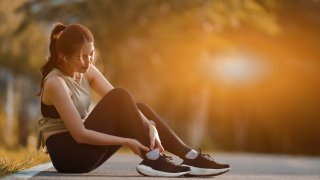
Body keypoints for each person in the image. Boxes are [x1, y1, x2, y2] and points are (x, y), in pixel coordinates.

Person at [36, 22, 230, 177]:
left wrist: (149, 124)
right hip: (70, 157)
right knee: (121, 95)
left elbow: (124, 105)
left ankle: (190, 156)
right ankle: (153, 160)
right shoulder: (55, 83)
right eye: (80, 57)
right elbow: (80, 134)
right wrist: (127, 140)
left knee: (140, 108)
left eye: (90, 55)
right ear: (63, 57)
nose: (87, 62)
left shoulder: (87, 71)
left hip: (83, 151)